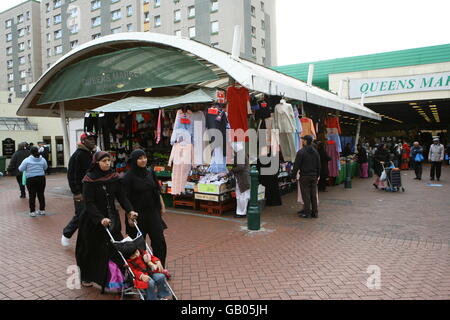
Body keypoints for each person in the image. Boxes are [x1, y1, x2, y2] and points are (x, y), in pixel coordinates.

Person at [75, 151, 138, 289]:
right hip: (93, 220)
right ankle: (87, 276)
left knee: (117, 247)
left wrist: (130, 210)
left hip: (111, 219)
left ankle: (118, 278)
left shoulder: (114, 177)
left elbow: (122, 197)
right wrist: (100, 218)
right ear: (97, 163)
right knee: (91, 249)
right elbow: (89, 203)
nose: (107, 163)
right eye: (104, 161)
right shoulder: (89, 179)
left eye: (109, 161)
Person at [122, 149, 168, 267]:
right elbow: (124, 198)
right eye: (140, 158)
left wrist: (162, 205)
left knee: (159, 241)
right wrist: (129, 215)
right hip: (137, 215)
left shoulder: (150, 172)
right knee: (138, 244)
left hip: (153, 212)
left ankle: (160, 266)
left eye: (145, 157)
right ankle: (143, 268)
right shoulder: (128, 177)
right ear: (134, 160)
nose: (143, 160)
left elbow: (156, 190)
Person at [61, 132, 97, 247]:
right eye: (89, 139)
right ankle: (67, 234)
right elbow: (72, 175)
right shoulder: (78, 155)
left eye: (93, 139)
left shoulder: (93, 154)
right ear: (83, 141)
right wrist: (76, 192)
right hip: (81, 192)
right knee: (81, 214)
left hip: (93, 190)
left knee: (94, 214)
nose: (92, 141)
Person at [291, 135, 321, 219]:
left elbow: (296, 165)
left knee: (306, 194)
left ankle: (307, 212)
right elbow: (319, 165)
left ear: (305, 141)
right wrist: (318, 175)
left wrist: (293, 176)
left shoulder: (301, 152)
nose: (302, 141)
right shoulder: (315, 152)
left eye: (303, 140)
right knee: (313, 194)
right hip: (314, 176)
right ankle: (315, 212)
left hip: (304, 176)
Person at [18, 146, 48, 217]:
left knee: (32, 195)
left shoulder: (27, 160)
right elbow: (45, 167)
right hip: (41, 178)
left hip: (31, 179)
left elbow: (20, 169)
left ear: (30, 152)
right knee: (41, 194)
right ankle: (42, 210)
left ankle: (32, 211)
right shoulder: (42, 159)